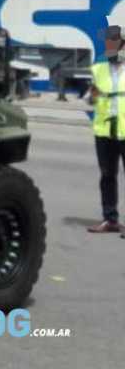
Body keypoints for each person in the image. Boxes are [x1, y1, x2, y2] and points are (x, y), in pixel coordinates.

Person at [87, 22, 124, 235]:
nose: (109, 46)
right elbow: (91, 98)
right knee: (107, 175)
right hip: (105, 130)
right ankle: (110, 220)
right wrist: (92, 96)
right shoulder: (98, 67)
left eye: (114, 42)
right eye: (108, 42)